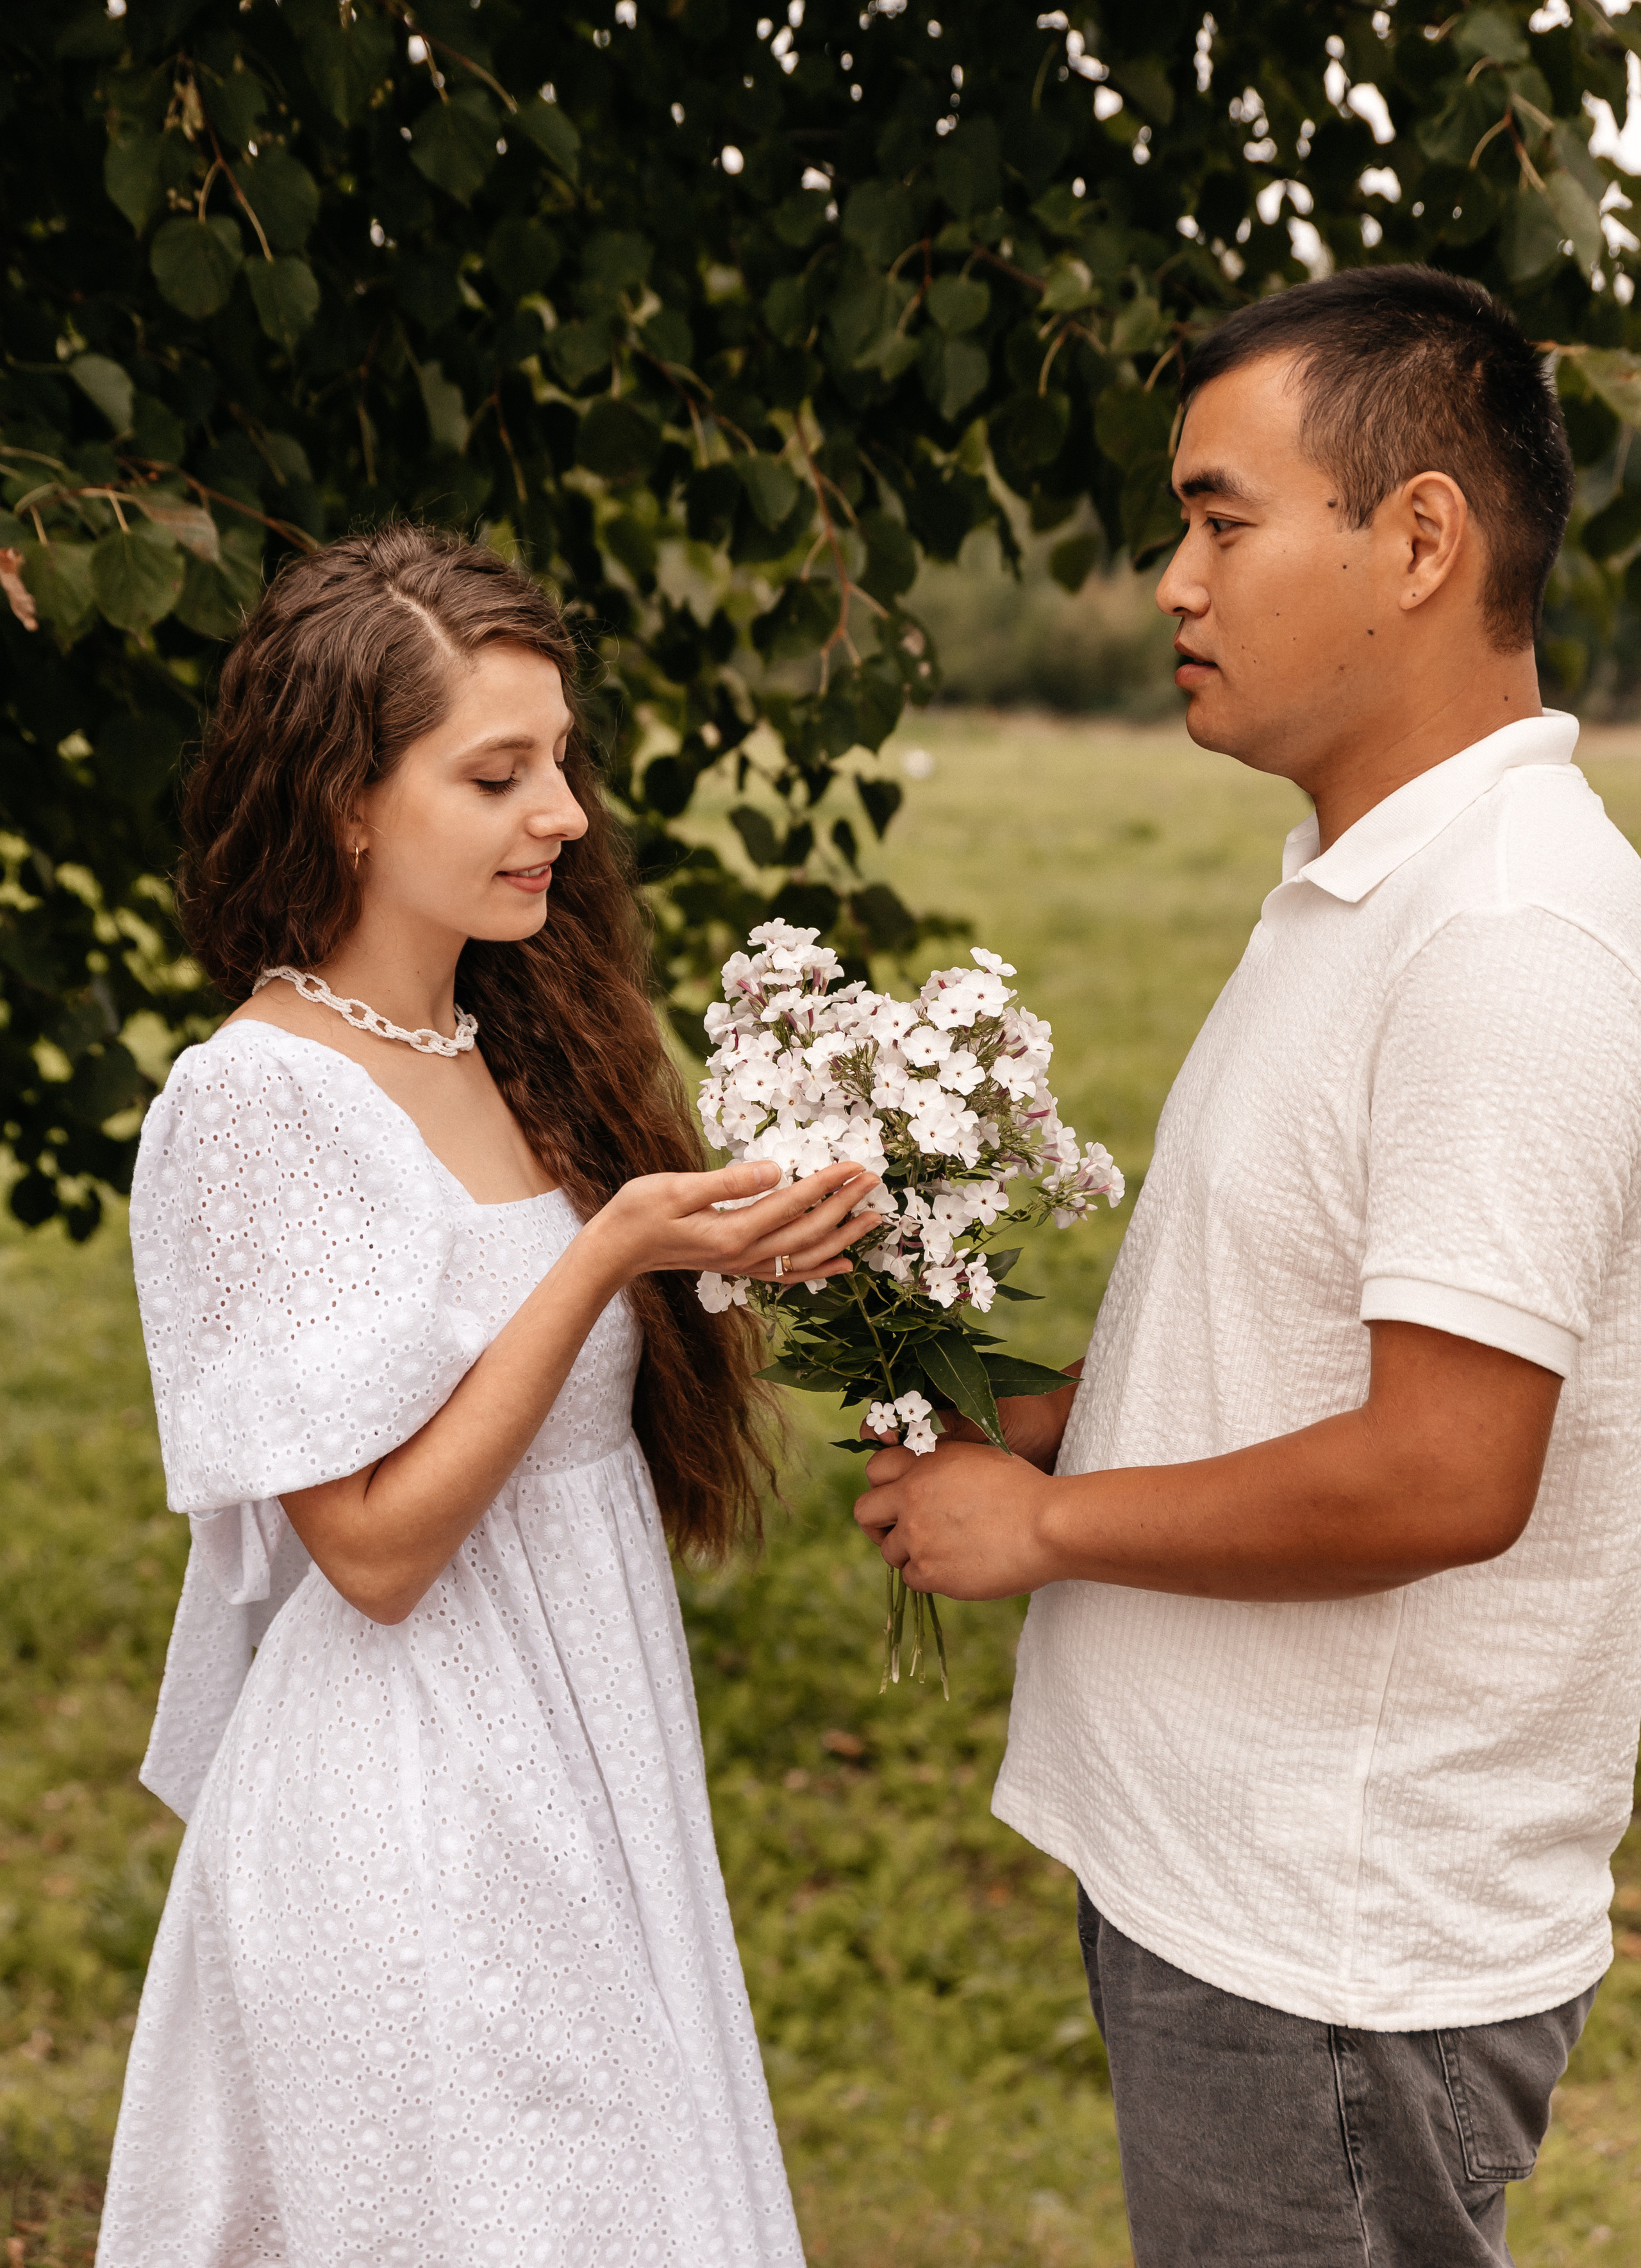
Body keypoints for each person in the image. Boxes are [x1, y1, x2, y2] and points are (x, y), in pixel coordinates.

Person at [854, 267, 1641, 2264]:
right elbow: (1315, 1341)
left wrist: (1044, 1532)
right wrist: (1043, 1419)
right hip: (1235, 1895)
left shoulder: (1506, 934)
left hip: (1333, 1947)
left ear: (1421, 539)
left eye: (1221, 521)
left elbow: (1448, 1470)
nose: (1173, 586)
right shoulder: (1356, 878)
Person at [98, 524, 881, 2268]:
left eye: (563, 762)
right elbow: (372, 1550)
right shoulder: (258, 1107)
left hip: (586, 1749)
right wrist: (606, 1257)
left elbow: (555, 1361)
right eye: (499, 772)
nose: (567, 815)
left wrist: (729, 1246)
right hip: (417, 1805)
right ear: (350, 805)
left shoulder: (517, 1045)